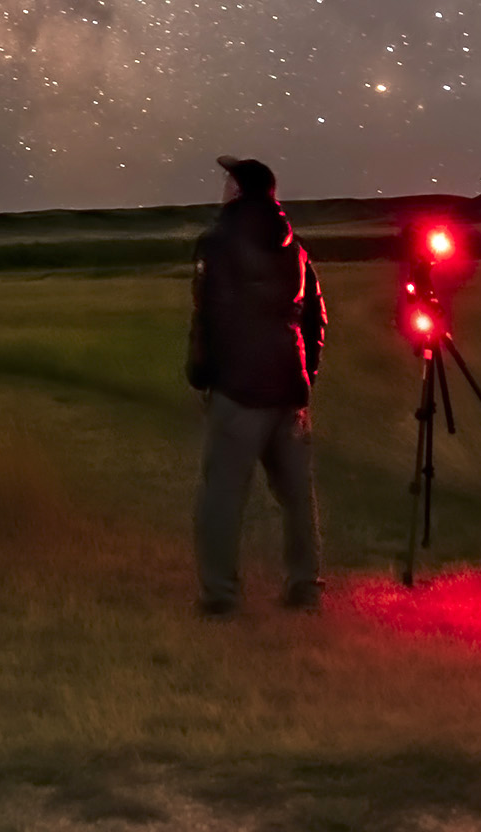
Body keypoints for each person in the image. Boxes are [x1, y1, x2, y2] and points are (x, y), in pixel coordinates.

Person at [186, 153, 326, 614]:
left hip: (239, 389)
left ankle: (220, 595)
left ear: (239, 190)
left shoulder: (218, 244)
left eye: (228, 181)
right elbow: (314, 318)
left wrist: (202, 374)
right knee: (297, 497)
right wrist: (307, 370)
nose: (222, 187)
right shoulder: (296, 246)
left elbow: (209, 316)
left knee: (222, 497)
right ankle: (306, 586)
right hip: (289, 385)